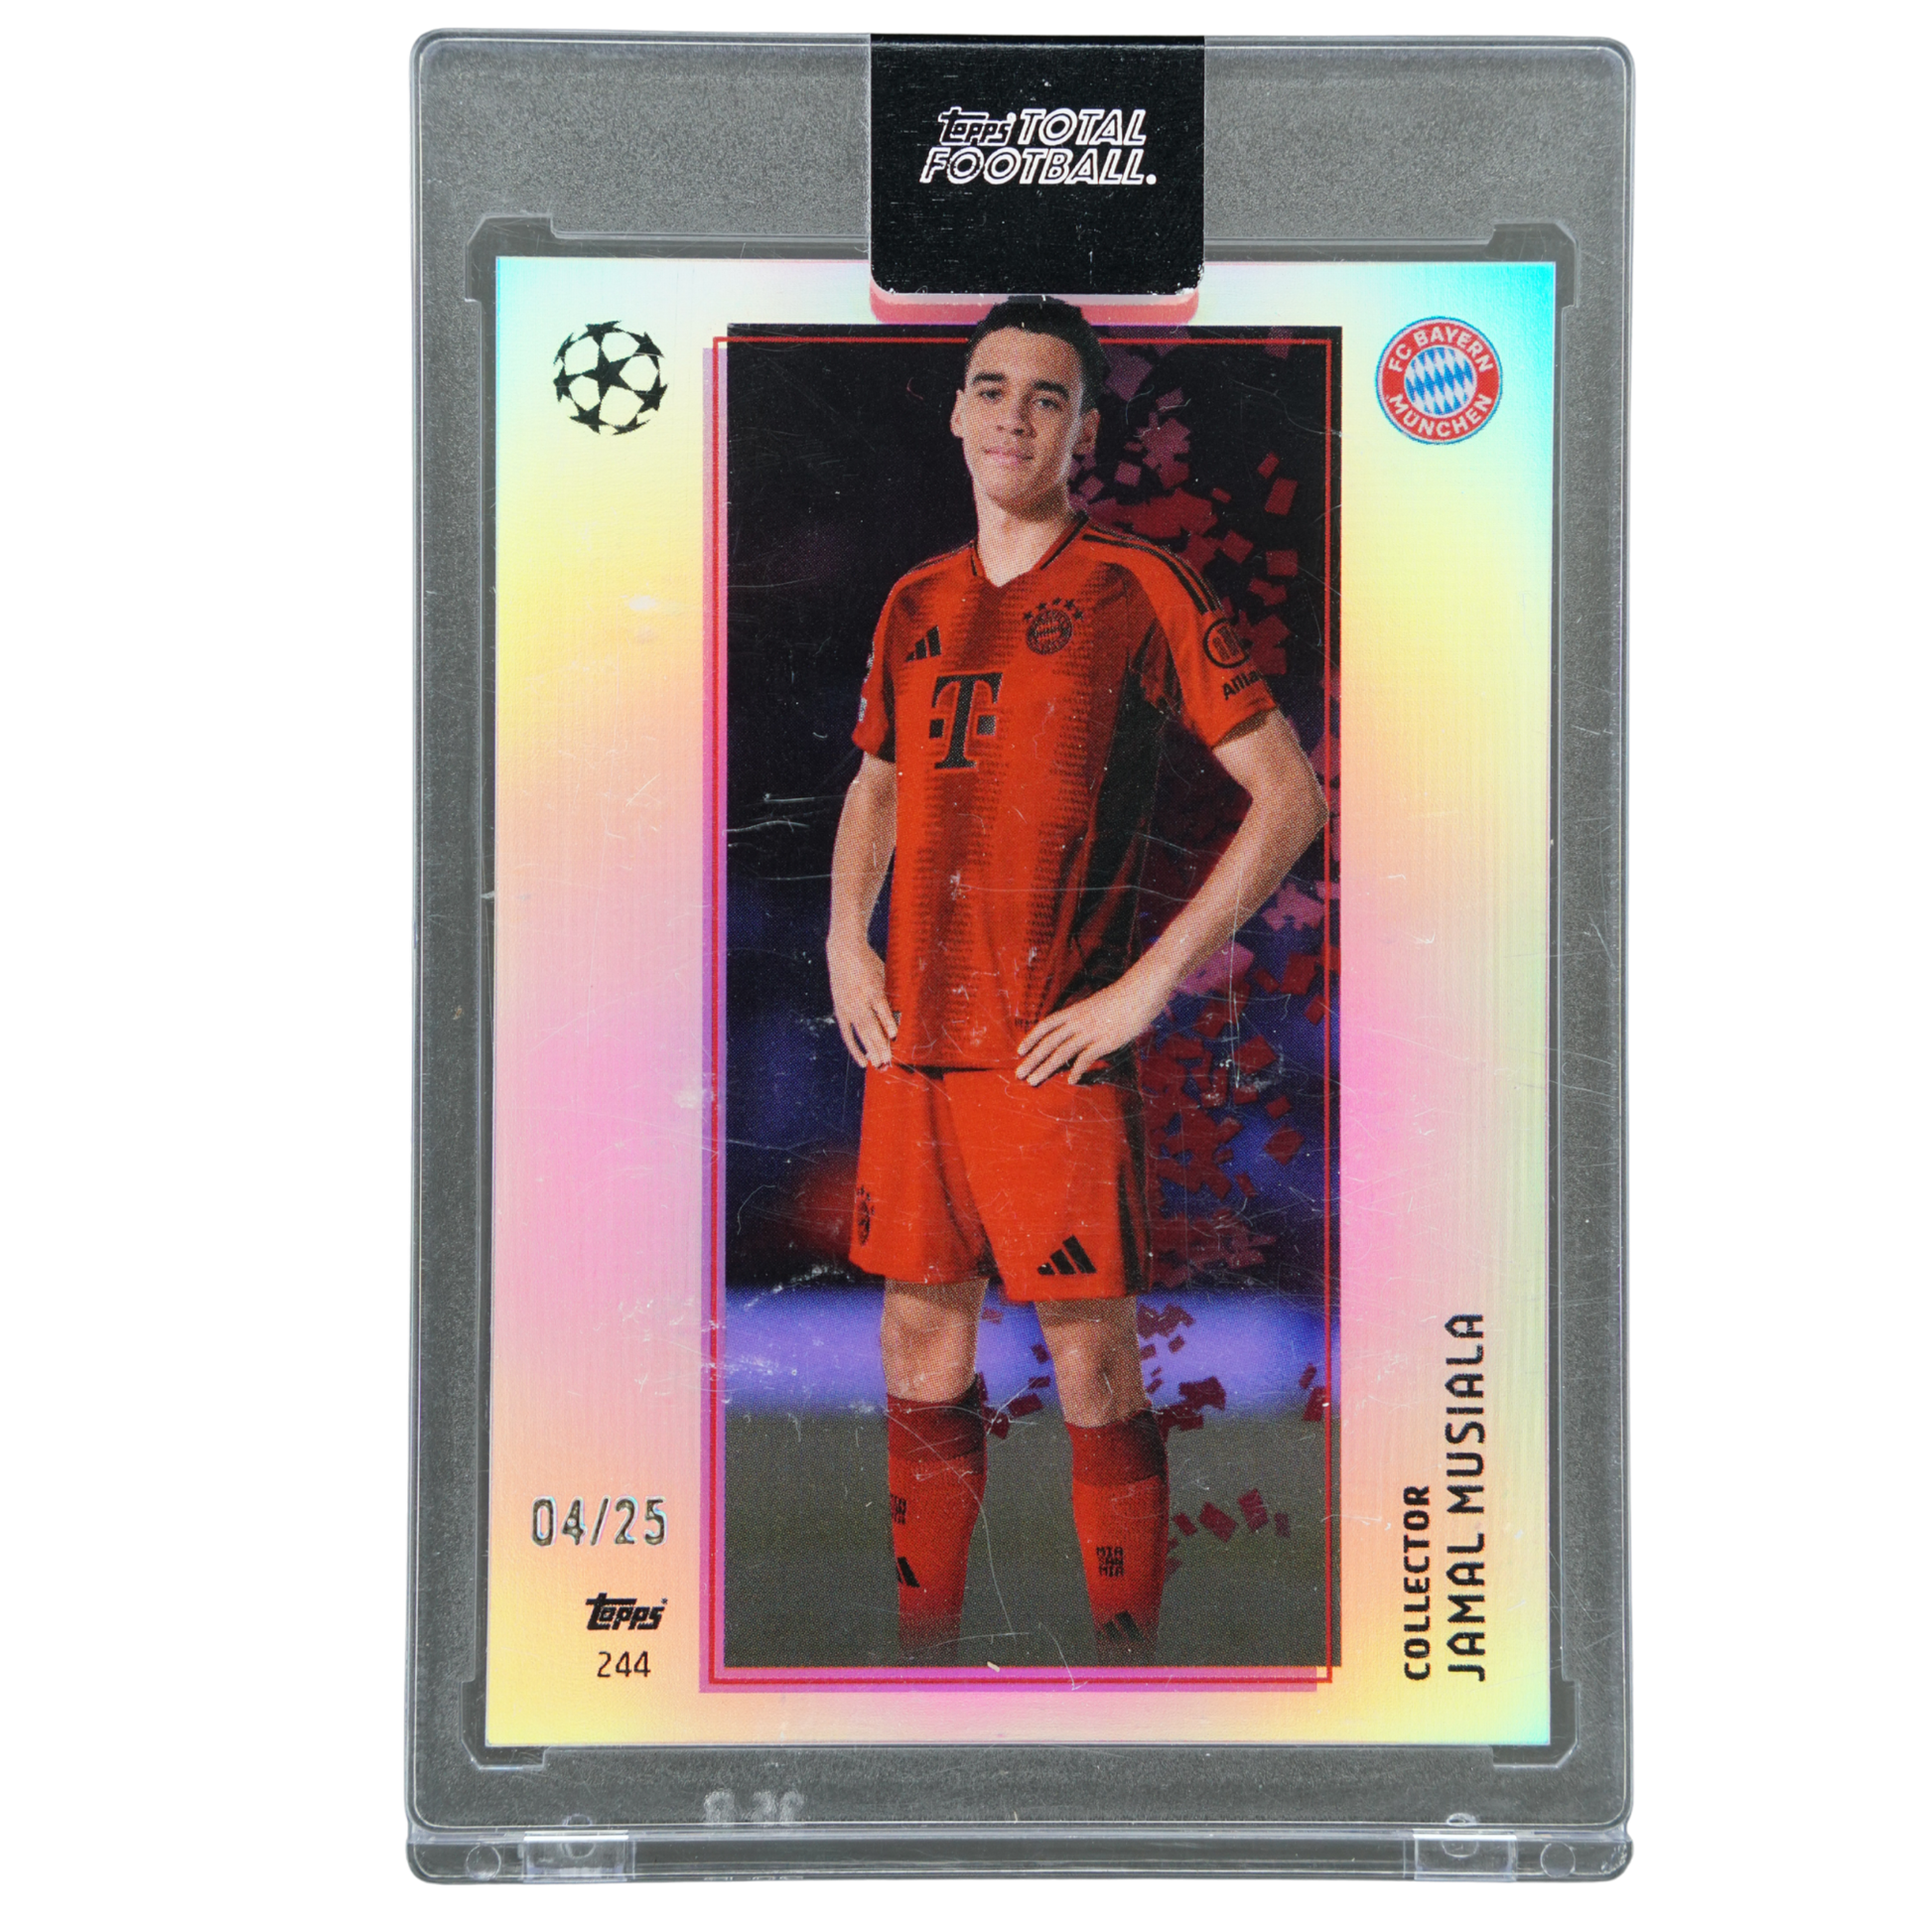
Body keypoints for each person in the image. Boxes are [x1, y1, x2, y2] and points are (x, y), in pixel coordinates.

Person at [826, 298, 1328, 1665]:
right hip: (913, 1047)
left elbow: (1288, 795)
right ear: (955, 412)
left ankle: (1123, 1673)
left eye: (1047, 397)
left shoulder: (1137, 586)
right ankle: (922, 1672)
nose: (1013, 415)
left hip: (1053, 1050)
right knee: (918, 1352)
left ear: (1086, 430)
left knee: (1095, 1364)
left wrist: (1150, 983)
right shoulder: (914, 600)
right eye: (991, 388)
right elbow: (876, 782)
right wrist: (844, 938)